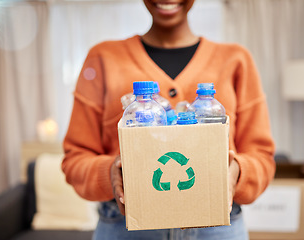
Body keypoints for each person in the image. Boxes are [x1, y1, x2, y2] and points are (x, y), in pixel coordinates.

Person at [62, 0, 275, 239]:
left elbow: (263, 159)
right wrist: (110, 172)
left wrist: (237, 172)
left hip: (217, 225)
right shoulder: (103, 58)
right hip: (126, 223)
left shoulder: (236, 60)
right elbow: (75, 161)